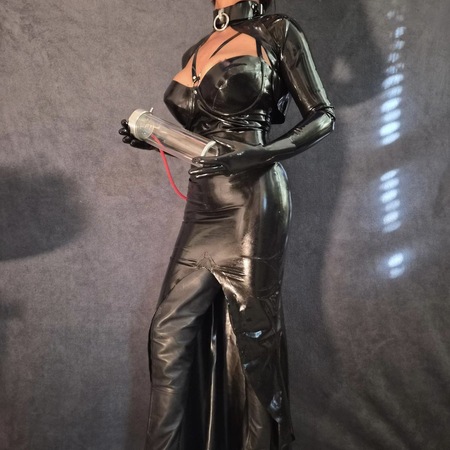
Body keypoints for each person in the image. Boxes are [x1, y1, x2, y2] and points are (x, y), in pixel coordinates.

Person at [119, 1, 334, 448]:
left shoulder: (277, 32)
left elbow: (323, 117)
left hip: (252, 197)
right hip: (204, 203)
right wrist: (156, 140)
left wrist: (259, 154)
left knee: (253, 336)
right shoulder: (196, 50)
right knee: (168, 330)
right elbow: (202, 140)